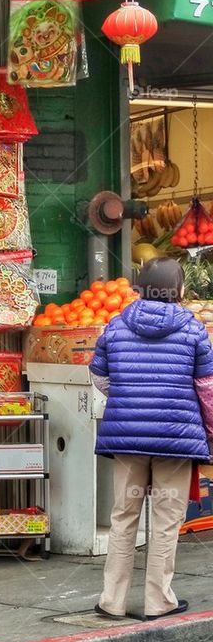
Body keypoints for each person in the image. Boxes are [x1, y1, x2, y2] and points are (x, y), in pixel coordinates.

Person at [90, 257, 213, 620]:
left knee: (123, 515)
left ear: (139, 288)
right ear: (177, 291)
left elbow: (99, 377)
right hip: (175, 439)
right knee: (165, 518)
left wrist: (128, 399)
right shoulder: (193, 330)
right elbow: (207, 390)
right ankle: (158, 601)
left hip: (127, 438)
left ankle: (111, 600)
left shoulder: (115, 326)